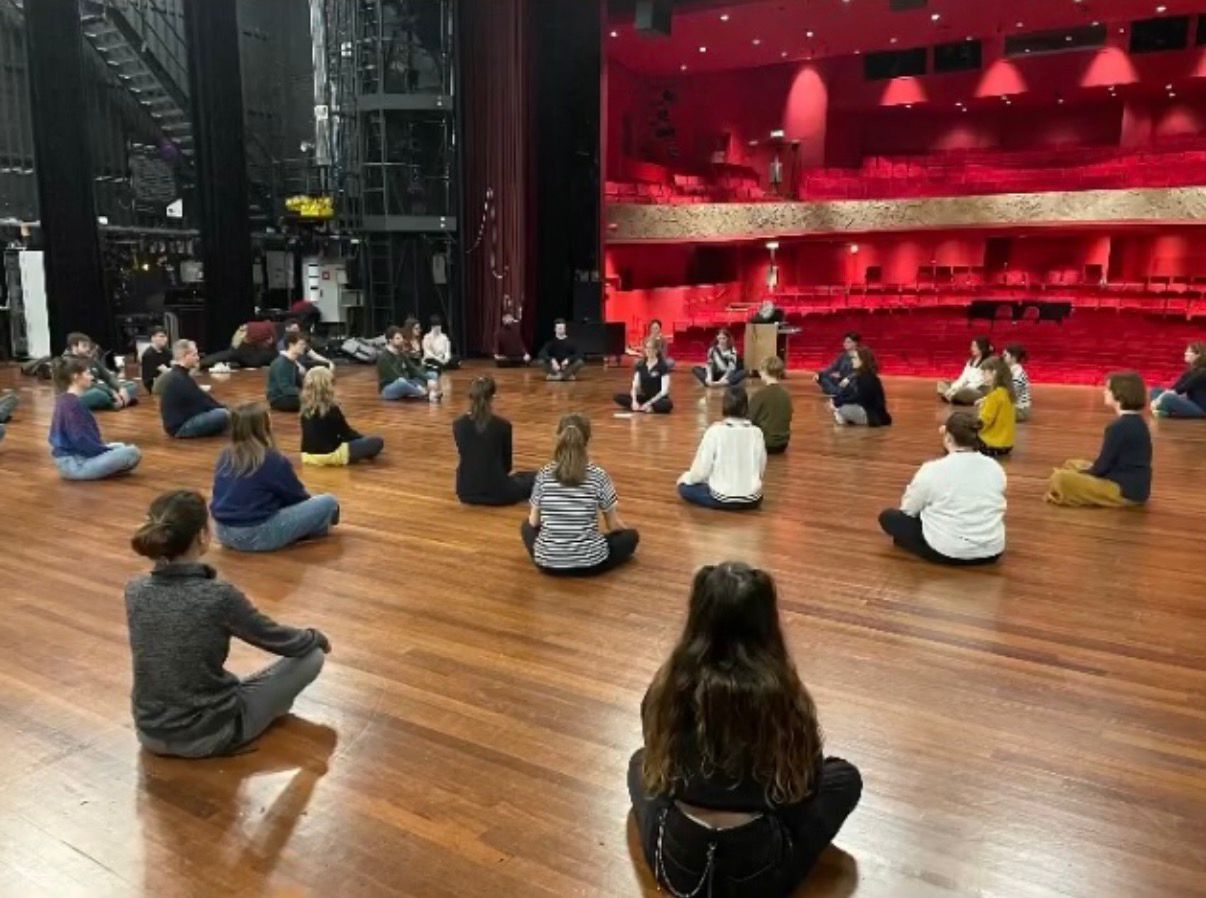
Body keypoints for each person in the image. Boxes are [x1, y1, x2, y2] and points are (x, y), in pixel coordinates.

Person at [629, 562, 861, 898]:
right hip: (761, 877)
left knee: (639, 762)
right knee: (844, 777)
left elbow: (658, 769)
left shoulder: (666, 690)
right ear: (767, 622)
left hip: (678, 867)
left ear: (697, 617)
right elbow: (802, 792)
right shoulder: (784, 698)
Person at [125, 489, 330, 758]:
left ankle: (264, 706)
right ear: (202, 536)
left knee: (237, 682)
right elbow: (279, 640)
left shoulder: (134, 590)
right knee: (312, 657)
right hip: (209, 735)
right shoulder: (218, 595)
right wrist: (314, 637)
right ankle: (266, 711)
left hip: (149, 733)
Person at [878, 412, 1006, 565]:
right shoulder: (994, 467)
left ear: (948, 438)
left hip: (949, 552)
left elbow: (908, 510)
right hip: (992, 551)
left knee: (888, 517)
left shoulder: (932, 469)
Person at [210, 402, 341, 552]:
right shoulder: (271, 459)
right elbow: (297, 497)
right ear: (263, 427)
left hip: (222, 531)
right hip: (255, 533)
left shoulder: (225, 456)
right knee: (328, 502)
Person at [521, 413, 639, 574]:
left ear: (559, 437)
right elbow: (613, 525)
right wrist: (627, 530)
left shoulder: (544, 474)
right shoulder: (598, 475)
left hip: (547, 563)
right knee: (631, 537)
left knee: (525, 527)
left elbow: (534, 522)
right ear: (587, 440)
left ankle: (555, 551)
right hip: (589, 564)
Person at [1046, 372, 1152, 507]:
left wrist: (1081, 474)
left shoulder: (1118, 427)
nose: (1104, 392)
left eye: (1107, 389)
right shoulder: (1137, 421)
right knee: (1071, 464)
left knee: (1060, 478)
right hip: (1134, 485)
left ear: (1119, 394)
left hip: (1124, 490)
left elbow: (1101, 468)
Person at [47, 357, 142, 480]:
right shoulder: (72, 405)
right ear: (76, 377)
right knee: (132, 452)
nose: (92, 377)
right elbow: (81, 440)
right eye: (87, 373)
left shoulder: (67, 399)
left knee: (119, 446)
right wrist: (104, 451)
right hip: (76, 464)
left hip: (71, 460)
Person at [677, 387, 766, 510]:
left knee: (684, 487)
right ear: (746, 406)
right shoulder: (757, 432)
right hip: (753, 499)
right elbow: (761, 468)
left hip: (723, 498)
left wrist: (686, 478)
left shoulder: (715, 431)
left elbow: (701, 471)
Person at [453, 376, 536, 506]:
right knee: (535, 477)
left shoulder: (458, 424)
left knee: (522, 477)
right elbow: (507, 466)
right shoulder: (503, 425)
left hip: (465, 491)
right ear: (493, 397)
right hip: (498, 492)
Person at [299, 367, 384, 466]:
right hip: (329, 455)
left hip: (307, 456)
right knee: (377, 441)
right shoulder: (331, 408)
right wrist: (363, 439)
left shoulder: (305, 408)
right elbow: (347, 433)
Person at [158, 340, 231, 438]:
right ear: (185, 356)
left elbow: (202, 399)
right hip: (180, 428)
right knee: (223, 414)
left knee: (223, 411)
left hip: (181, 421)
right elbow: (203, 402)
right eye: (194, 355)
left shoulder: (180, 375)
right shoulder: (179, 379)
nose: (197, 358)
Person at [64, 332, 139, 411]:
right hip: (82, 392)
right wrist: (111, 392)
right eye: (84, 346)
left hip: (100, 388)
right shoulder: (68, 363)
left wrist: (120, 388)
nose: (88, 349)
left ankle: (117, 400)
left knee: (131, 385)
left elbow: (108, 377)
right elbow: (90, 385)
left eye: (88, 346)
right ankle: (117, 402)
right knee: (99, 394)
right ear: (74, 347)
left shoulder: (90, 359)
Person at [378, 325, 441, 401]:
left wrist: (428, 379)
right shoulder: (384, 358)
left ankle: (422, 394)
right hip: (389, 388)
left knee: (432, 375)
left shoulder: (401, 354)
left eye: (401, 337)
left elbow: (413, 370)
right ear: (390, 340)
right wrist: (416, 386)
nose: (401, 340)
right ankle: (426, 394)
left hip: (407, 382)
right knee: (402, 382)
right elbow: (396, 377)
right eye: (398, 338)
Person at [832, 347, 892, 427]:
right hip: (879, 416)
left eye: (855, 358)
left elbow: (860, 397)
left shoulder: (865, 377)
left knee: (840, 408)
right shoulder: (868, 376)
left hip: (873, 417)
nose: (852, 361)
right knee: (841, 404)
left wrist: (838, 401)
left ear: (863, 361)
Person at [613, 337, 673, 414]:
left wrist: (649, 403)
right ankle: (640, 407)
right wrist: (634, 401)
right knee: (618, 397)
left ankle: (649, 408)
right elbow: (634, 387)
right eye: (647, 348)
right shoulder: (641, 365)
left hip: (658, 399)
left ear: (656, 350)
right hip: (645, 397)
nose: (648, 350)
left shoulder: (662, 366)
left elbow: (664, 391)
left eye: (651, 348)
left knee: (668, 404)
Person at [1150, 342, 1206, 418]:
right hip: (1190, 402)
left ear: (1198, 355)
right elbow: (1174, 387)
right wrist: (1160, 398)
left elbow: (1180, 390)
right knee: (1155, 390)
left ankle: (1161, 408)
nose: (1185, 353)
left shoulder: (1202, 372)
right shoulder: (1190, 371)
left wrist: (1157, 400)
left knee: (1168, 397)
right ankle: (1162, 409)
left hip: (1200, 408)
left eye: (1189, 351)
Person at [750, 356, 793, 453]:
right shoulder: (786, 394)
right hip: (783, 443)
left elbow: (750, 418)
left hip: (766, 442)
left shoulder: (760, 394)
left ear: (764, 371)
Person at [976, 357, 1016, 457]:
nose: (982, 376)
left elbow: (984, 422)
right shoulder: (1007, 392)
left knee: (957, 438)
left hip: (991, 444)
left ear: (994, 373)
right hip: (1007, 444)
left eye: (984, 373)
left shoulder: (994, 395)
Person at [938, 336, 992, 405]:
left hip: (978, 389)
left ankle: (953, 396)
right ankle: (952, 396)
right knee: (941, 384)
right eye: (972, 346)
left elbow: (977, 383)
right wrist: (953, 388)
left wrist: (958, 390)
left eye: (974, 346)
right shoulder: (970, 361)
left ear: (982, 347)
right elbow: (963, 377)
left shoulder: (987, 362)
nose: (972, 348)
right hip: (966, 386)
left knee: (964, 392)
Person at [267, 333, 307, 412]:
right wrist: (306, 394)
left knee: (316, 399)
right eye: (301, 344)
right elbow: (285, 388)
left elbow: (299, 383)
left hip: (289, 395)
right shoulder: (281, 363)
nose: (304, 347)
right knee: (310, 402)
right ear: (291, 345)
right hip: (278, 398)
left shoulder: (292, 362)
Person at [814, 332, 859, 397]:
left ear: (855, 343)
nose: (845, 344)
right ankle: (837, 391)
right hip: (840, 380)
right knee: (822, 377)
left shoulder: (858, 356)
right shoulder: (842, 356)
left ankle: (837, 391)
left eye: (848, 342)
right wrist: (820, 374)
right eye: (844, 342)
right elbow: (832, 367)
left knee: (844, 385)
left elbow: (858, 372)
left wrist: (845, 377)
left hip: (851, 382)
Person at [1003, 344, 1032, 422]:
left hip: (1020, 410)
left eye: (1005, 355)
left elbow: (1013, 396)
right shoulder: (1009, 371)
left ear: (1013, 358)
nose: (1003, 357)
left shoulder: (1018, 374)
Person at [140, 326, 173, 393]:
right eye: (161, 336)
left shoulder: (167, 352)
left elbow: (172, 366)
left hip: (167, 381)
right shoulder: (148, 355)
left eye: (165, 336)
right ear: (153, 338)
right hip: (154, 385)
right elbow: (150, 378)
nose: (165, 339)